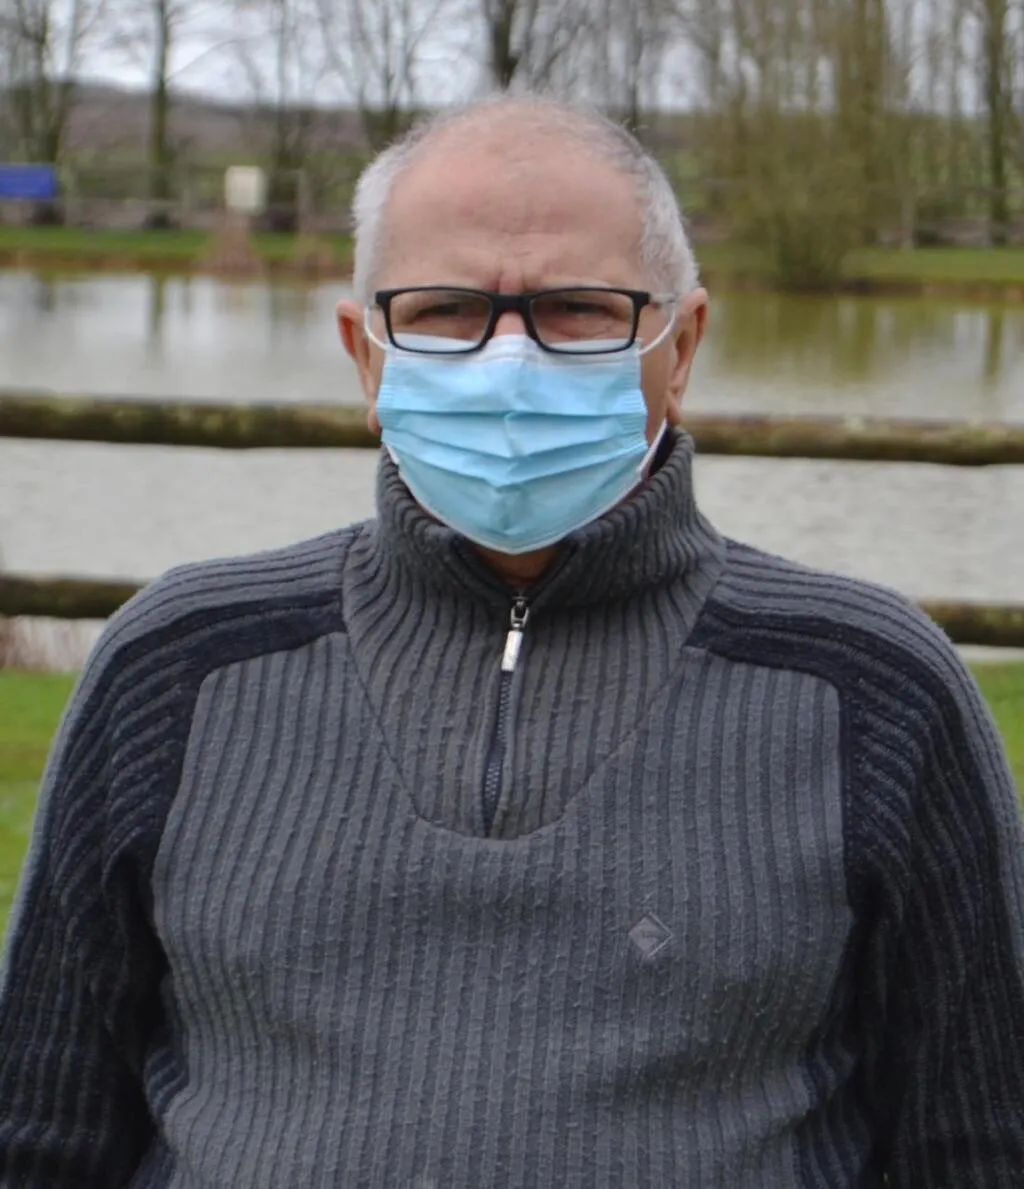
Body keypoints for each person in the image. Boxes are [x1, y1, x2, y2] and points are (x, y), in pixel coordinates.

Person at [2, 95, 1023, 1189]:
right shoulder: (179, 665)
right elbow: (40, 1134)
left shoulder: (875, 690)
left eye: (577, 309)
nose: (508, 361)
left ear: (681, 346)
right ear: (364, 355)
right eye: (444, 311)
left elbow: (978, 1147)